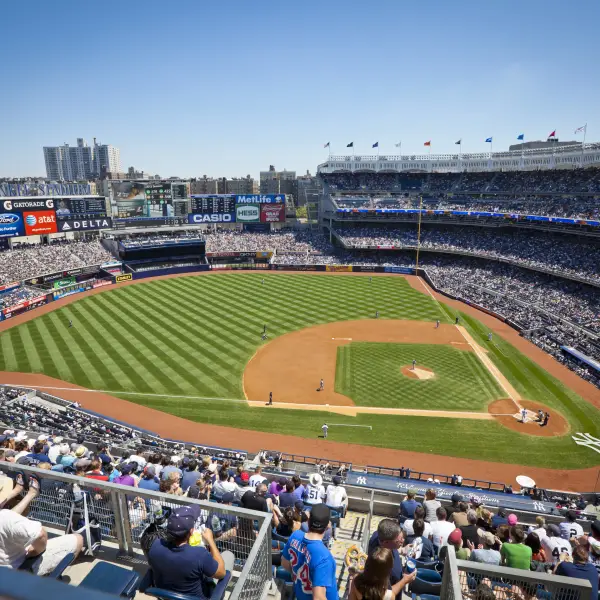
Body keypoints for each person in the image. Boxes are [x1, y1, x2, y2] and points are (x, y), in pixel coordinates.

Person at [0, 477, 84, 574]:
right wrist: (36, 551)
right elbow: (41, 535)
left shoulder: (6, 517)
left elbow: (7, 518)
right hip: (18, 570)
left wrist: (16, 491)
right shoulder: (6, 517)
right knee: (78, 539)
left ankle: (30, 494)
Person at [147, 505, 233, 599]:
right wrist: (211, 541)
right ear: (191, 532)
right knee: (228, 555)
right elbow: (221, 573)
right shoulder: (199, 555)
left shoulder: (154, 546)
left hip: (166, 597)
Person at [282, 504, 338, 600]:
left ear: (308, 522)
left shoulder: (295, 535)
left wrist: (297, 574)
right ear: (327, 526)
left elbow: (284, 563)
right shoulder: (325, 558)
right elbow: (319, 597)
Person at [350, 546, 416, 600]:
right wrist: (405, 580)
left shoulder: (356, 581)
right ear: (388, 571)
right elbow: (387, 594)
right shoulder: (390, 596)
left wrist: (351, 579)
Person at [367, 519, 407, 599]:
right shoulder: (379, 563)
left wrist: (400, 549)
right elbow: (386, 594)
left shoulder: (379, 535)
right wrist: (405, 580)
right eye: (398, 541)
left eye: (402, 538)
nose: (403, 541)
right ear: (385, 543)